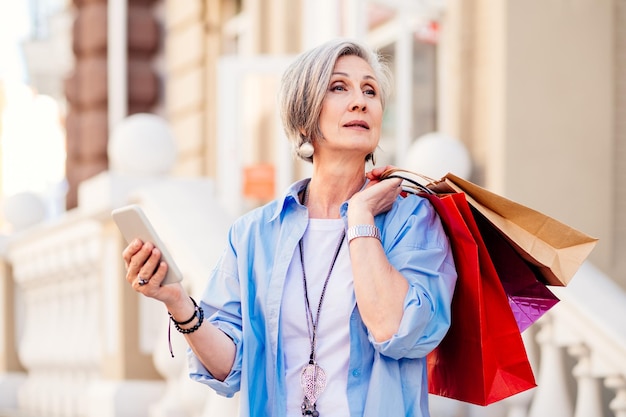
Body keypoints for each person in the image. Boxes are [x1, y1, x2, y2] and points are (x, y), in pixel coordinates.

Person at [123, 38, 457, 417]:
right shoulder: (253, 234)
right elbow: (227, 367)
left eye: (370, 90)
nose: (360, 101)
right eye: (338, 87)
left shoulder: (412, 221)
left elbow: (397, 331)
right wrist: (177, 300)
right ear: (303, 118)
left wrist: (361, 218)